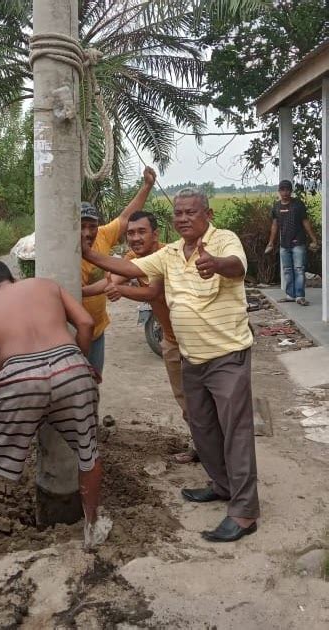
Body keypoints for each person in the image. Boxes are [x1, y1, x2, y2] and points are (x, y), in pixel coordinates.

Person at [81, 189, 260, 543]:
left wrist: (216, 264)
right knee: (204, 429)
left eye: (190, 212)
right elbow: (129, 267)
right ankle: (222, 485)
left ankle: (244, 512)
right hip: (191, 357)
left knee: (235, 433)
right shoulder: (171, 253)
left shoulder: (223, 240)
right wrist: (87, 252)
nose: (182, 218)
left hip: (227, 356)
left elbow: (238, 266)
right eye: (178, 213)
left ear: (207, 214)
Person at [0, 260, 112, 554]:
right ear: (11, 277)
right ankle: (91, 530)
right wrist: (81, 364)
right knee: (87, 450)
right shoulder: (47, 285)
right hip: (70, 365)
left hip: (19, 375)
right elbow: (87, 324)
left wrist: (12, 395)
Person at [93, 210, 198, 464]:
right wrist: (76, 289)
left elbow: (153, 292)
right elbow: (112, 280)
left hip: (195, 340)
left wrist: (120, 289)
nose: (136, 238)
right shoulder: (131, 258)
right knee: (184, 399)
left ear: (155, 234)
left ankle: (215, 451)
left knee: (203, 399)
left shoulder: (167, 255)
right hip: (171, 341)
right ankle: (198, 446)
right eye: (130, 233)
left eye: (141, 232)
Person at [81, 166, 156, 376]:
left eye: (92, 226)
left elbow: (125, 218)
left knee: (94, 381)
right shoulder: (62, 254)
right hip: (71, 334)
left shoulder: (103, 236)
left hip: (97, 330)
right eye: (81, 226)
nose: (87, 232)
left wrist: (147, 186)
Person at [265, 180, 318, 306]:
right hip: (284, 244)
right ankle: (290, 295)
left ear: (291, 191)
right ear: (279, 191)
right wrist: (271, 243)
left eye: (287, 189)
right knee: (287, 270)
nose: (285, 192)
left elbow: (305, 221)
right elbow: (274, 225)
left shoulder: (297, 205)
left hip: (298, 242)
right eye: (282, 190)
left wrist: (313, 239)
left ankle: (300, 296)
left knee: (299, 269)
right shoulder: (276, 206)